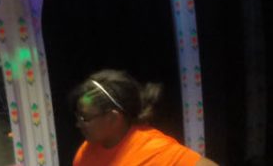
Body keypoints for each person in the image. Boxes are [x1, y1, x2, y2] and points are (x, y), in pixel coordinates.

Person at [70, 70, 218, 166]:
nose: (78, 124)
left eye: (85, 118)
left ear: (113, 118)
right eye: (78, 116)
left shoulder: (156, 151)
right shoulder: (85, 152)